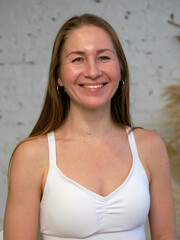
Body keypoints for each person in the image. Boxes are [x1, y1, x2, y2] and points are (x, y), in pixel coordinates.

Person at [3, 14, 177, 240]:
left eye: (104, 57)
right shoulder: (32, 155)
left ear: (121, 69)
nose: (93, 71)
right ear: (58, 77)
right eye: (77, 59)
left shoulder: (149, 146)